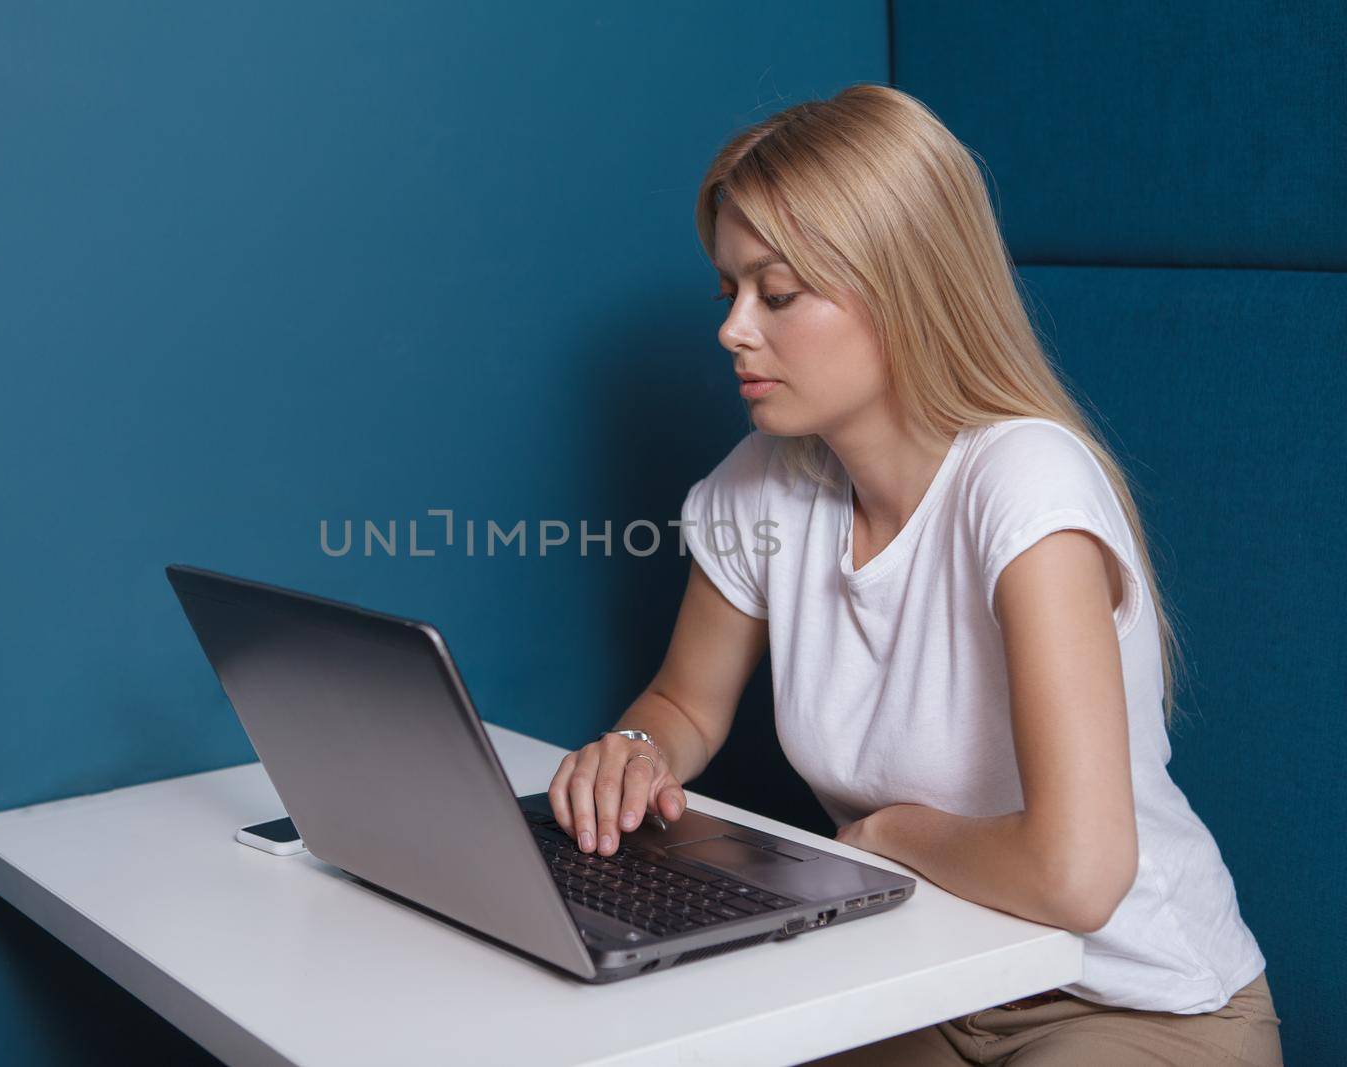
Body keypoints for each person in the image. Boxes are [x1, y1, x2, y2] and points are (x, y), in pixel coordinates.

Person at [545, 84, 1280, 1065]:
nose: (732, 328)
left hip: (1128, 997)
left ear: (900, 284)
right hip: (914, 975)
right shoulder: (760, 482)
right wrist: (635, 745)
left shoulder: (1023, 482)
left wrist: (889, 832)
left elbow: (1076, 876)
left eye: (777, 291)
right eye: (728, 291)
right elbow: (685, 699)